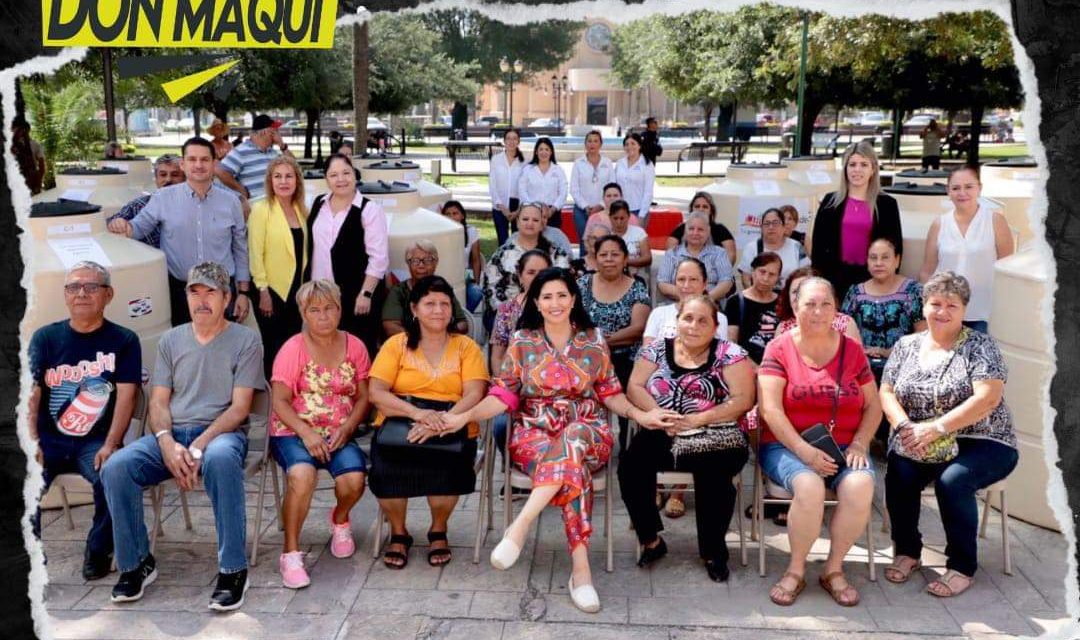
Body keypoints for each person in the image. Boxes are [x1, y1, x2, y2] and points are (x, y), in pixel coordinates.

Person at [440, 268, 675, 613]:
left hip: (588, 431)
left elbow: (610, 394)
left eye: (562, 295)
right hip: (533, 434)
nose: (555, 303)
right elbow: (503, 395)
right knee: (571, 471)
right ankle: (581, 572)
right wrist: (465, 415)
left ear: (574, 299)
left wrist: (641, 416)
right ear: (536, 301)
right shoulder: (522, 341)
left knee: (575, 435)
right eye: (547, 296)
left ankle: (520, 527)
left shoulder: (594, 341)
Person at [101, 262, 263, 610]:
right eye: (195, 292)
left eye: (210, 292)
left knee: (219, 459)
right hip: (171, 435)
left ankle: (233, 569)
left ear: (226, 297)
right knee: (116, 467)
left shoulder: (245, 340)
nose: (201, 300)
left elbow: (239, 409)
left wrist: (199, 446)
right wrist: (167, 442)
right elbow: (158, 402)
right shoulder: (171, 340)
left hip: (222, 434)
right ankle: (136, 564)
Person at [881, 272, 1018, 598]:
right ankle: (907, 550)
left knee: (952, 480)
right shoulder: (906, 345)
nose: (942, 312)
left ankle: (961, 566)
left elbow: (987, 398)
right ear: (924, 306)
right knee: (899, 470)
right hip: (918, 435)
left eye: (951, 305)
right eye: (935, 304)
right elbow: (886, 392)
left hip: (983, 439)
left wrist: (938, 427)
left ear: (964, 309)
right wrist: (904, 428)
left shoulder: (981, 346)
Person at [757, 276, 881, 607]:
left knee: (859, 487)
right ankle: (796, 570)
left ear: (836, 309)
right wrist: (805, 451)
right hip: (786, 445)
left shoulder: (852, 350)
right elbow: (770, 409)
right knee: (809, 486)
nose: (818, 311)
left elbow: (874, 406)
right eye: (810, 303)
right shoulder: (778, 348)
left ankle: (833, 569)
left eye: (826, 304)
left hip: (844, 446)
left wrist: (860, 443)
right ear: (795, 307)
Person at [621, 295, 755, 582]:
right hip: (664, 429)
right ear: (677, 321)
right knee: (631, 466)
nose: (694, 326)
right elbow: (634, 386)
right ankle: (651, 541)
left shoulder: (731, 353)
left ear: (715, 325)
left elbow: (743, 400)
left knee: (715, 475)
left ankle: (713, 551)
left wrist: (698, 419)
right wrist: (659, 414)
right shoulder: (656, 350)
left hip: (716, 434)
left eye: (702, 320)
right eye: (688, 318)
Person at [29, 261, 141, 580]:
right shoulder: (45, 338)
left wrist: (111, 443)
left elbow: (126, 396)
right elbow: (32, 396)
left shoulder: (124, 340)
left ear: (108, 295)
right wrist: (32, 441)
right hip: (49, 440)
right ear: (65, 296)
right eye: (73, 287)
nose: (81, 294)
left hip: (95, 440)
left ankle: (98, 550)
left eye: (91, 287)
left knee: (112, 472)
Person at [368, 276, 488, 569]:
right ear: (414, 308)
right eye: (430, 303)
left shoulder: (466, 347)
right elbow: (376, 392)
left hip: (453, 422)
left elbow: (475, 392)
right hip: (401, 422)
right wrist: (418, 415)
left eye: (445, 304)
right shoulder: (397, 345)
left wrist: (443, 421)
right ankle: (399, 532)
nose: (438, 310)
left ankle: (438, 529)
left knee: (449, 469)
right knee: (387, 470)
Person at [269, 280, 370, 588]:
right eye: (314, 310)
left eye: (329, 308)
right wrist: (307, 433)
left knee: (354, 481)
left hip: (339, 431)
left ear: (340, 310)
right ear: (303, 313)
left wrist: (348, 427)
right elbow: (279, 401)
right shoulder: (292, 349)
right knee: (302, 475)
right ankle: (291, 553)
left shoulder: (355, 345)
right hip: (293, 431)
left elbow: (365, 397)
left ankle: (340, 519)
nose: (323, 316)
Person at [107, 137, 250, 326]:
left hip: (222, 291)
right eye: (192, 159)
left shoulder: (231, 202)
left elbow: (240, 248)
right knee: (184, 349)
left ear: (214, 163)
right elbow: (137, 228)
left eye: (204, 160)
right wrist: (121, 224)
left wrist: (244, 294)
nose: (198, 165)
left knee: (223, 349)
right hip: (180, 292)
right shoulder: (162, 198)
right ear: (183, 164)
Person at [306, 153, 389, 357]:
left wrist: (366, 294)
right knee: (325, 349)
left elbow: (378, 258)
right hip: (321, 295)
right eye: (334, 175)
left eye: (346, 173)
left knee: (357, 350)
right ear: (326, 179)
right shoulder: (318, 204)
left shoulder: (370, 210)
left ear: (355, 175)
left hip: (356, 296)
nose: (341, 179)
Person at [918, 165, 1014, 333]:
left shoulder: (995, 221)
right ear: (948, 191)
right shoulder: (939, 224)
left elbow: (1007, 270)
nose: (962, 193)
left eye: (969, 187)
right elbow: (927, 271)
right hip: (945, 313)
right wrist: (927, 308)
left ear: (979, 188)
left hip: (983, 313)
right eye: (956, 188)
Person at [577, 235, 652, 451]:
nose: (609, 259)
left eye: (615, 254)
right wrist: (595, 345)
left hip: (624, 357)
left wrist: (603, 341)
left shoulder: (637, 288)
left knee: (632, 388)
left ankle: (629, 447)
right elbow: (571, 321)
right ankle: (587, 440)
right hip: (586, 358)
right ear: (595, 258)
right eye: (603, 254)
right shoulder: (582, 284)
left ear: (626, 258)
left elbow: (638, 329)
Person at [810, 141, 902, 303]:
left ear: (873, 169)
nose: (857, 170)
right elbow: (818, 248)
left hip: (873, 280)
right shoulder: (830, 202)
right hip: (835, 280)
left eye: (864, 165)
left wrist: (887, 281)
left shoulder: (887, 205)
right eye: (852, 164)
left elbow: (895, 248)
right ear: (845, 169)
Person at [247, 155, 309, 377]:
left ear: (297, 181)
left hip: (296, 290)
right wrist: (263, 290)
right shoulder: (261, 209)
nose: (284, 182)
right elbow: (255, 253)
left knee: (293, 343)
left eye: (289, 176)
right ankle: (274, 397)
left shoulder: (301, 209)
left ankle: (290, 389)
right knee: (274, 346)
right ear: (270, 181)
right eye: (278, 176)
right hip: (270, 290)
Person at [489, 250, 552, 457]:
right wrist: (508, 387)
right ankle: (517, 475)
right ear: (520, 274)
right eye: (531, 272)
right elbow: (497, 354)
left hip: (552, 390)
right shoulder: (507, 310)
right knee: (500, 426)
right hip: (514, 386)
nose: (537, 278)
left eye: (543, 272)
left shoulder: (560, 309)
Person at [842, 237, 926, 385]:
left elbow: (923, 334)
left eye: (885, 257)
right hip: (861, 367)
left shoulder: (914, 291)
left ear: (897, 260)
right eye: (873, 258)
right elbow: (843, 330)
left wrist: (888, 352)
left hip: (903, 367)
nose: (878, 263)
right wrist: (861, 352)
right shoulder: (855, 292)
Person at [482, 203, 571, 318]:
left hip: (549, 313)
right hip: (509, 313)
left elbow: (565, 282)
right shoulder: (503, 254)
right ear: (517, 222)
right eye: (525, 219)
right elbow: (490, 287)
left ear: (542, 224)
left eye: (535, 220)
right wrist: (507, 311)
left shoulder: (556, 253)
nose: (530, 223)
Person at [382, 241, 468, 337]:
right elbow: (390, 327)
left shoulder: (444, 289)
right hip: (408, 346)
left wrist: (441, 335)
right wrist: (420, 340)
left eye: (427, 260)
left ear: (436, 263)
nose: (421, 266)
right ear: (408, 264)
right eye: (415, 261)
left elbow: (463, 324)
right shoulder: (399, 291)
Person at [645, 257, 729, 347]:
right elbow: (647, 353)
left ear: (705, 284)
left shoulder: (719, 318)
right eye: (681, 279)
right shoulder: (659, 313)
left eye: (693, 279)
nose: (686, 285)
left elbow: (720, 356)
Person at [107, 154, 186, 249]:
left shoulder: (194, 206)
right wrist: (116, 223)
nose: (168, 179)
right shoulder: (138, 206)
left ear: (185, 179)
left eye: (175, 175)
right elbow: (107, 226)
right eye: (163, 175)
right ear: (156, 179)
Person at [657, 211, 734, 303]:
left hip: (710, 304)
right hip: (676, 304)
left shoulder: (719, 253)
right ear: (685, 231)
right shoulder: (672, 254)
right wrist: (686, 296)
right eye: (691, 229)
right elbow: (662, 283)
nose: (695, 233)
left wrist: (705, 299)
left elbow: (726, 281)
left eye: (700, 229)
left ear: (708, 232)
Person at [776, 266, 863, 344]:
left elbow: (856, 360)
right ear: (788, 296)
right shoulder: (783, 328)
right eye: (795, 291)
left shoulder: (846, 324)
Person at [216, 114, 291, 202]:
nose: (278, 134)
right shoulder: (241, 151)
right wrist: (241, 190)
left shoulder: (272, 153)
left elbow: (293, 168)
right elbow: (220, 171)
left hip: (274, 205)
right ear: (266, 132)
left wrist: (282, 146)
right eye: (276, 130)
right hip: (255, 207)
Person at [724, 252, 782, 365]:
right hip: (744, 366)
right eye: (762, 272)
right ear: (753, 272)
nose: (765, 278)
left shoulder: (783, 302)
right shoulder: (736, 301)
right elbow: (732, 342)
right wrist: (755, 368)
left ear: (778, 277)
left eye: (771, 274)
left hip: (777, 366)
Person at [738, 208, 810, 290]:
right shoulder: (751, 248)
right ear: (761, 228)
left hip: (790, 297)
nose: (771, 227)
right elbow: (746, 279)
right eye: (766, 223)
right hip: (760, 297)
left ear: (783, 227)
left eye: (775, 223)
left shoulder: (796, 246)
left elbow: (807, 275)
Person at [570, 130, 614, 254]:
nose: (592, 144)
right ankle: (585, 270)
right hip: (581, 211)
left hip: (603, 211)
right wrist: (586, 207)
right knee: (585, 243)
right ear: (585, 144)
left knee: (603, 242)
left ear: (601, 144)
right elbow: (574, 188)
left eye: (595, 141)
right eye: (589, 141)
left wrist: (600, 205)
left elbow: (612, 186)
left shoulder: (607, 163)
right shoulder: (579, 163)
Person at [666, 192, 737, 266]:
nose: (701, 209)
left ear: (711, 210)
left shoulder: (721, 230)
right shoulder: (680, 229)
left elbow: (731, 256)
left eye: (705, 207)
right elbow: (670, 255)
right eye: (697, 206)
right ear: (691, 209)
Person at [440, 200, 484, 312]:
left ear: (462, 216)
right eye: (448, 214)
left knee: (476, 293)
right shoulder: (438, 233)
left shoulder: (471, 232)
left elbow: (475, 260)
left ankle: (463, 317)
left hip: (464, 277)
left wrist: (476, 281)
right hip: (443, 278)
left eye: (455, 213)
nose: (451, 217)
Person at [518, 137, 568, 230]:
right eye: (540, 149)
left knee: (551, 243)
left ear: (551, 152)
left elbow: (563, 192)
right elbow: (522, 190)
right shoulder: (528, 169)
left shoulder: (558, 170)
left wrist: (552, 209)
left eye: (547, 149)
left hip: (552, 213)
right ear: (536, 152)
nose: (543, 152)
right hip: (531, 213)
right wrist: (533, 208)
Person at [489, 128, 525, 245]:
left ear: (518, 141)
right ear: (504, 141)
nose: (511, 141)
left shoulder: (524, 161)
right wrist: (502, 207)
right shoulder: (496, 159)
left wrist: (518, 210)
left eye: (515, 139)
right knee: (503, 242)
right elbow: (492, 185)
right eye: (508, 138)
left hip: (518, 207)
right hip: (500, 205)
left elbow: (526, 187)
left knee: (518, 243)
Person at [614, 132, 656, 222]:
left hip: (638, 211)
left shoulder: (647, 165)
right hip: (621, 210)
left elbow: (648, 192)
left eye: (633, 143)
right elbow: (615, 186)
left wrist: (641, 215)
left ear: (639, 146)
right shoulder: (620, 163)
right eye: (627, 144)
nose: (629, 147)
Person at [608, 200, 651, 275]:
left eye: (622, 218)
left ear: (628, 217)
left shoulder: (639, 233)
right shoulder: (606, 235)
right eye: (615, 218)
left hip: (636, 275)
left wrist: (624, 262)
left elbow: (647, 258)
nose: (619, 222)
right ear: (610, 217)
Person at [11, 116, 45, 194]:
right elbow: (42, 167)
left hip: (29, 181)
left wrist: (38, 181)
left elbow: (42, 166)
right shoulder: (12, 146)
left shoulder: (34, 145)